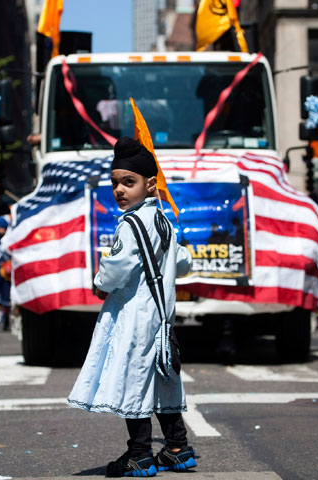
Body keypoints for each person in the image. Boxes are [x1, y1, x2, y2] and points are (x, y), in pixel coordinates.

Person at [67, 137, 195, 477]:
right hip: (162, 319)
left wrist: (99, 284)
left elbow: (117, 266)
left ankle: (140, 454)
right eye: (115, 183)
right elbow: (184, 263)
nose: (120, 190)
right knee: (163, 379)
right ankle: (178, 448)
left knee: (133, 380)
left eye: (129, 182)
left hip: (135, 317)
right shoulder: (165, 223)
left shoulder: (132, 223)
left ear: (150, 184)